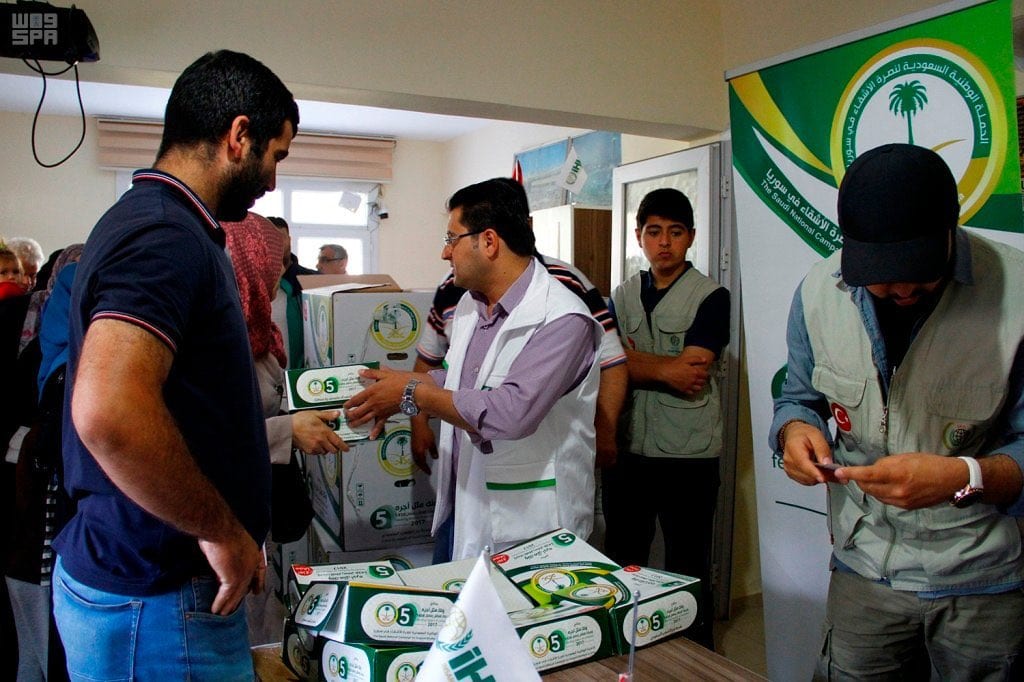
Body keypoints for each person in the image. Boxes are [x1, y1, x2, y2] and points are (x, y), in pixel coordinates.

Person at [51, 50, 298, 681]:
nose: (272, 181)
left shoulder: (167, 223)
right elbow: (108, 412)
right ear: (238, 136)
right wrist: (221, 531)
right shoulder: (165, 236)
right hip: (160, 601)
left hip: (158, 588)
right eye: (276, 156)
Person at [771, 143, 1024, 680]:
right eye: (882, 273)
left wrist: (965, 476)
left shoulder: (1018, 294)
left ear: (952, 230)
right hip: (863, 570)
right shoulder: (817, 293)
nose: (902, 288)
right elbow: (798, 397)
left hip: (984, 581)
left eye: (918, 269)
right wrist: (794, 430)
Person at [345, 177, 603, 561]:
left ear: (489, 241)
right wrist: (398, 388)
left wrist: (412, 392)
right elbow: (459, 381)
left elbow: (512, 412)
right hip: (469, 498)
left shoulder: (562, 319)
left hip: (532, 521)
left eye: (451, 239)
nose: (444, 253)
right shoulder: (471, 305)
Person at [602, 187, 730, 650]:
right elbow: (604, 362)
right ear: (639, 236)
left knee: (688, 565)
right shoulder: (621, 295)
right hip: (627, 447)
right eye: (654, 232)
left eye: (675, 232)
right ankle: (624, 649)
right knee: (623, 558)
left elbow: (691, 372)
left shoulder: (712, 297)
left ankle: (697, 657)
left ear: (690, 237)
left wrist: (628, 362)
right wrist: (661, 367)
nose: (664, 242)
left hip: (689, 455)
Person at [222, 212, 345, 645]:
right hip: (222, 524)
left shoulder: (256, 330)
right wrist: (286, 431)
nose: (279, 277)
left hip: (255, 506)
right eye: (271, 266)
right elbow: (207, 436)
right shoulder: (216, 338)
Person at [267, 216, 312, 368]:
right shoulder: (250, 285)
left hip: (302, 373)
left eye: (280, 238)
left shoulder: (310, 281)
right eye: (270, 239)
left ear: (290, 239)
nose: (276, 245)